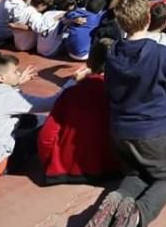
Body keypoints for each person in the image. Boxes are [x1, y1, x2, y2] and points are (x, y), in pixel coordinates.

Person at [80, 0, 166, 227]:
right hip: (155, 129)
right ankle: (136, 217)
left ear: (120, 23)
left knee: (135, 174)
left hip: (121, 130)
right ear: (148, 19)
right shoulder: (160, 53)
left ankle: (114, 201)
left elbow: (109, 91)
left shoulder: (113, 52)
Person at [0, 52, 73, 179]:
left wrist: (17, 83)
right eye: (15, 72)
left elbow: (4, 100)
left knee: (30, 119)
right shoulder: (8, 97)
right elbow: (51, 103)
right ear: (1, 78)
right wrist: (73, 81)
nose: (19, 74)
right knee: (50, 125)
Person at [38, 38, 122, 185]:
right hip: (109, 167)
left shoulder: (71, 93)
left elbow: (47, 136)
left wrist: (50, 162)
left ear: (89, 63)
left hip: (65, 168)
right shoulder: (123, 94)